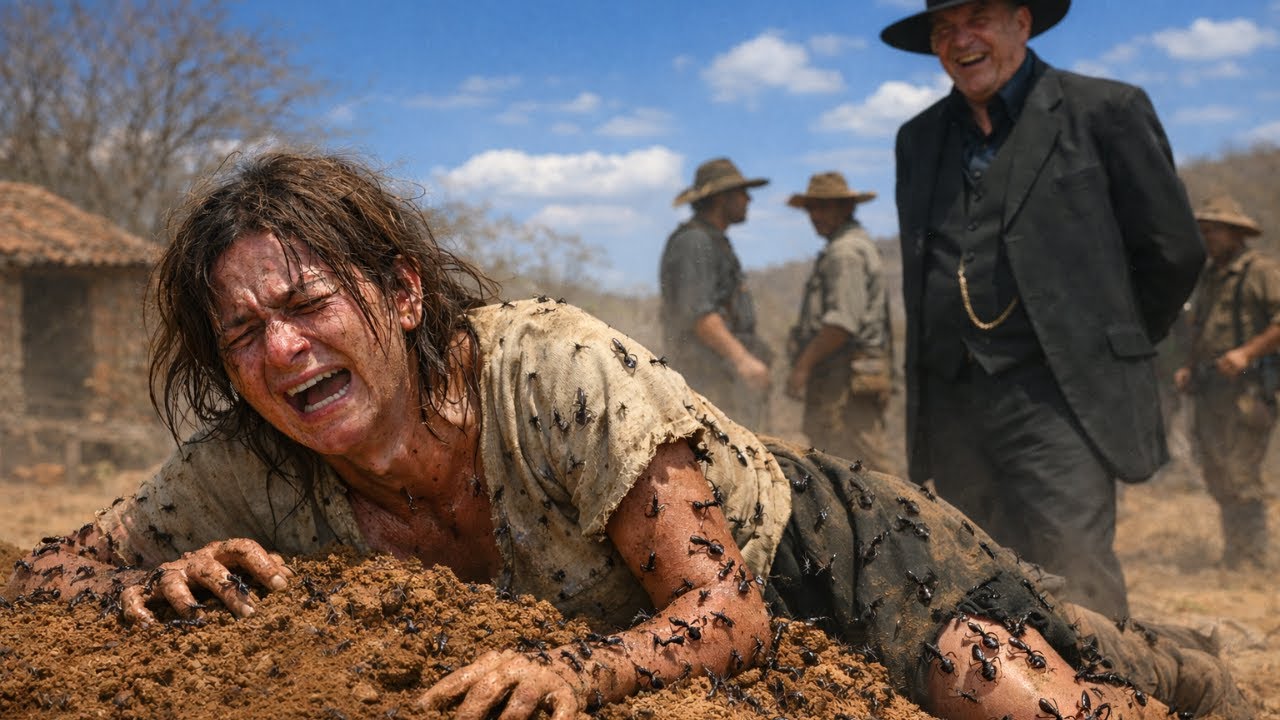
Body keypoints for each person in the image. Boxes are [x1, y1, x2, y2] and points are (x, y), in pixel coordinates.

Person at [4, 153, 1249, 720]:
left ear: (394, 292)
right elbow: (42, 570)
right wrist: (135, 581)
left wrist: (576, 675)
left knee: (1040, 683)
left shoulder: (547, 370)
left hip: (820, 545)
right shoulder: (246, 460)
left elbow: (732, 613)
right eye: (241, 334)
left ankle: (1206, 675)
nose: (279, 353)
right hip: (703, 598)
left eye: (307, 304)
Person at [882, 0, 1204, 618]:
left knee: (1074, 574)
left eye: (977, 18)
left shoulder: (1105, 111)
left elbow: (1173, 252)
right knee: (975, 575)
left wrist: (1109, 346)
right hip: (953, 402)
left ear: (1021, 23)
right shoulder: (917, 139)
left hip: (1060, 396)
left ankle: (1103, 706)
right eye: (944, 29)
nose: (960, 39)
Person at [1174, 195, 1280, 569]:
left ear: (1236, 234)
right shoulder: (1207, 276)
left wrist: (1246, 355)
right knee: (1217, 471)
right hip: (1210, 392)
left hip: (1248, 392)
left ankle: (1250, 561)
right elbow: (1199, 331)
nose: (1206, 239)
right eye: (1202, 232)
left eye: (1212, 231)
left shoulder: (1261, 271)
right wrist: (1189, 367)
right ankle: (1235, 554)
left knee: (1241, 472)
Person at [784, 171, 893, 471]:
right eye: (811, 209)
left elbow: (841, 324)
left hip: (844, 382)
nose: (815, 216)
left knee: (865, 470)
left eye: (824, 207)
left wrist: (802, 368)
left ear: (846, 208)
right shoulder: (846, 247)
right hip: (841, 378)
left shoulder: (845, 252)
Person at [660, 157, 773, 430]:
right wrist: (743, 360)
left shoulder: (712, 240)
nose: (749, 199)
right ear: (722, 198)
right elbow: (700, 314)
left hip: (722, 377)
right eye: (742, 193)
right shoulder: (695, 242)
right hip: (709, 379)